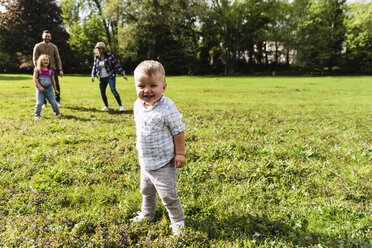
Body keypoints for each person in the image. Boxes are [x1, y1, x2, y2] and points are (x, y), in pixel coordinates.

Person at [130, 60, 186, 236]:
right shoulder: (138, 105)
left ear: (164, 86)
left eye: (153, 85)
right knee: (146, 191)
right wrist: (139, 145)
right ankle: (148, 214)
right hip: (146, 161)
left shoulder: (167, 106)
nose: (147, 90)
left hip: (164, 162)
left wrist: (180, 154)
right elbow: (140, 127)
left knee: (168, 195)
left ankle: (177, 221)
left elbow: (178, 131)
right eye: (141, 86)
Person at [91, 42, 128, 112]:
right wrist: (93, 75)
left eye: (100, 48)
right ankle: (106, 106)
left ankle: (120, 106)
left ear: (103, 49)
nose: (98, 49)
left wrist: (123, 74)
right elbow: (94, 66)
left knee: (113, 89)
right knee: (102, 92)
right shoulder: (96, 57)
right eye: (97, 48)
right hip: (101, 77)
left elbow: (117, 65)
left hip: (110, 75)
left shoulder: (110, 56)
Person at [33, 30, 64, 107]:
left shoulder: (54, 47)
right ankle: (43, 103)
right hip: (41, 70)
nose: (47, 37)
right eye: (46, 36)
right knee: (42, 85)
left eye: (49, 36)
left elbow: (58, 58)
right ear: (42, 36)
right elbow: (35, 58)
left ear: (51, 37)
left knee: (56, 85)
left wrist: (60, 69)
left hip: (52, 69)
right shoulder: (38, 46)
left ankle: (58, 100)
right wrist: (38, 68)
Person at [33, 54, 61, 119]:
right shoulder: (37, 69)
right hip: (40, 89)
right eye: (44, 60)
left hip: (49, 89)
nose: (46, 61)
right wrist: (40, 87)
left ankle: (57, 113)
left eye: (47, 60)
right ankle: (37, 115)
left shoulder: (51, 71)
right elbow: (35, 79)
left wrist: (55, 89)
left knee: (53, 102)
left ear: (49, 62)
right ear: (40, 61)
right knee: (39, 102)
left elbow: (53, 81)